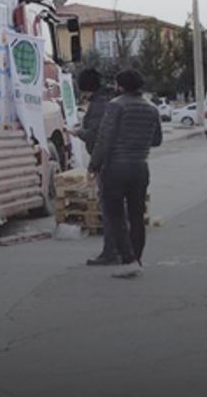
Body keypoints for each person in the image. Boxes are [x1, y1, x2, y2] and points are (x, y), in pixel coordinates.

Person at [90, 69, 162, 279]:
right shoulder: (152, 108)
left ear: (120, 86)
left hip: (116, 167)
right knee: (136, 215)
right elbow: (157, 140)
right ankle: (136, 260)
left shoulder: (116, 105)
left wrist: (94, 165)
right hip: (140, 167)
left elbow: (105, 139)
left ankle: (128, 260)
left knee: (115, 215)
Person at [68, 68, 115, 265]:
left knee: (110, 209)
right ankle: (126, 253)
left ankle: (111, 252)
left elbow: (97, 136)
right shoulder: (111, 99)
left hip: (108, 161)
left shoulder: (98, 105)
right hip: (129, 160)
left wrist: (78, 133)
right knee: (121, 209)